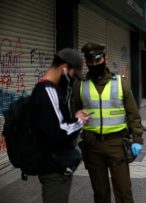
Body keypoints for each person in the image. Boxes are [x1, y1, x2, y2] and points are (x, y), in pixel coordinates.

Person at [72, 42, 144, 203]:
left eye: (97, 61)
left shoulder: (120, 83)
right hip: (92, 146)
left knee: (124, 191)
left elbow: (133, 114)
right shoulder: (80, 85)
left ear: (105, 58)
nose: (94, 65)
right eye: (90, 62)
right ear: (87, 62)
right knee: (100, 193)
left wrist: (137, 139)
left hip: (117, 144)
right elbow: (74, 114)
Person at [30, 48, 89, 203]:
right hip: (53, 168)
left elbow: (54, 124)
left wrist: (74, 118)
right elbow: (58, 132)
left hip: (54, 164)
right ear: (64, 69)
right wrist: (79, 121)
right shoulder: (47, 91)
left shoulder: (50, 89)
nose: (73, 79)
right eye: (73, 75)